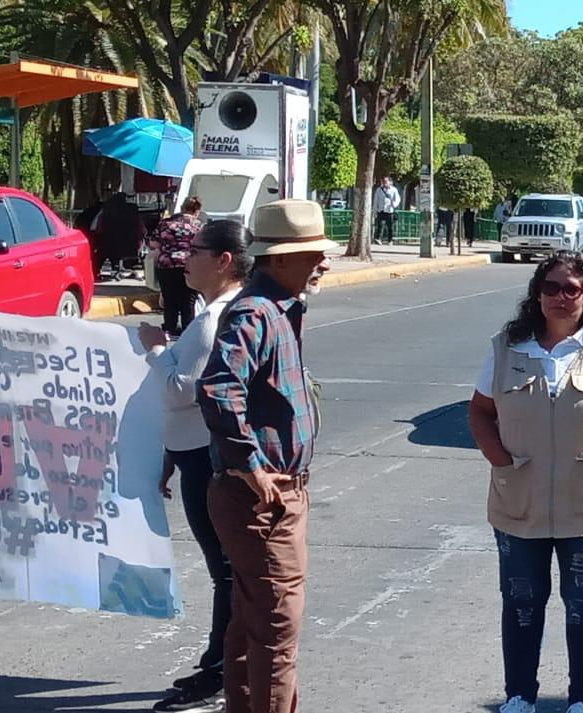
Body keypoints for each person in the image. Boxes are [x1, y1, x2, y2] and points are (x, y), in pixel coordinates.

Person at [468, 252, 583, 713]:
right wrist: (499, 458)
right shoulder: (507, 347)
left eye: (572, 288)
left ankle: (582, 699)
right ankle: (520, 696)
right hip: (519, 502)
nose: (561, 297)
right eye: (551, 287)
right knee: (521, 603)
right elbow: (480, 410)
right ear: (538, 293)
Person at [198, 199, 332, 713]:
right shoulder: (258, 311)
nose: (320, 262)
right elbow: (217, 388)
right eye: (310, 254)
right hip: (262, 496)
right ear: (277, 260)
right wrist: (252, 467)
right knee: (277, 626)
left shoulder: (279, 309)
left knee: (253, 621)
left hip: (267, 492)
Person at [141, 220, 252, 713]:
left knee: (226, 570)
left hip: (209, 461)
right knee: (224, 569)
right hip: (192, 455)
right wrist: (168, 453)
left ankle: (221, 671)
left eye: (196, 250)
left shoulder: (214, 321)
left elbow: (183, 390)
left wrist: (157, 349)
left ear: (224, 260)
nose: (184, 257)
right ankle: (220, 663)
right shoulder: (213, 313)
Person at [148, 197, 206, 336]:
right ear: (197, 211)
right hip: (190, 265)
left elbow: (154, 244)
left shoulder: (166, 223)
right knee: (189, 300)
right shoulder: (199, 226)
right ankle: (188, 330)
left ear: (181, 207)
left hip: (167, 264)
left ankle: (169, 327)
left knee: (169, 298)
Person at [97, 192, 145, 279]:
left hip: (109, 244)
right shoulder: (133, 212)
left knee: (103, 252)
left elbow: (98, 229)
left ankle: (100, 269)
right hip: (131, 244)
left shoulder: (106, 212)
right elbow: (142, 229)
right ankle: (120, 269)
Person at [372, 176, 400, 245]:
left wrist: (394, 205)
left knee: (390, 226)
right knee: (380, 225)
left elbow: (398, 199)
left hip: (389, 210)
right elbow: (376, 200)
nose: (384, 183)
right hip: (381, 210)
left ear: (389, 182)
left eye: (386, 181)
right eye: (383, 182)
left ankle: (390, 240)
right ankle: (378, 238)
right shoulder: (379, 190)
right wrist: (375, 211)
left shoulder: (394, 190)